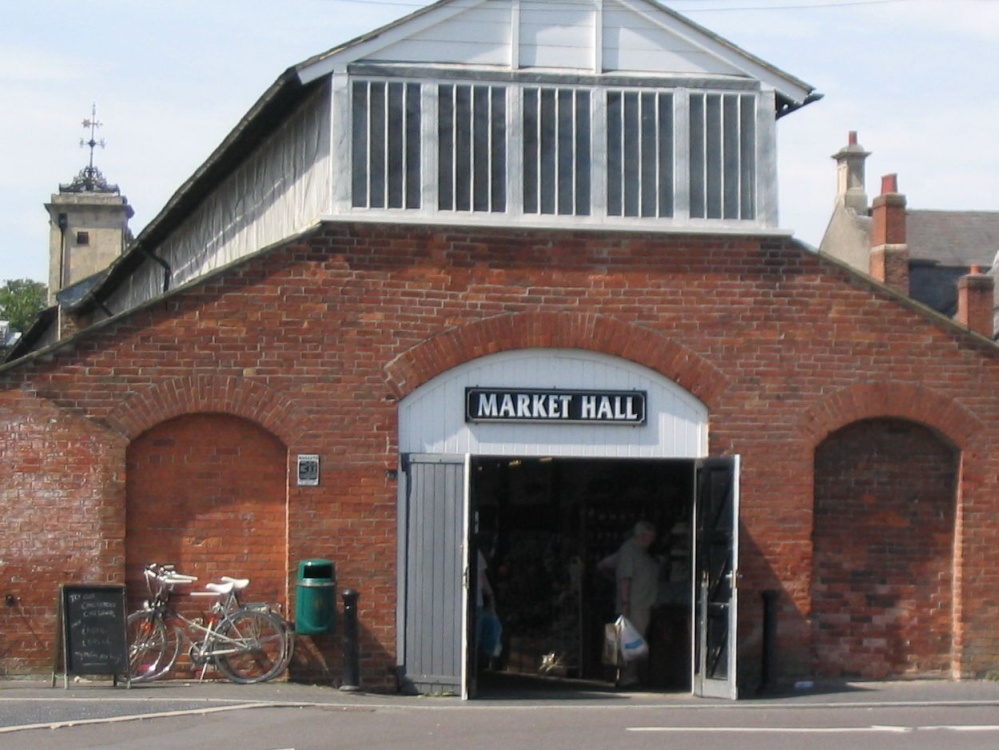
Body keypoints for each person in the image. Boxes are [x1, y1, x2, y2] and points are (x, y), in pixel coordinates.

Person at [614, 520, 658, 687]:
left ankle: (628, 676)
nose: (653, 540)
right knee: (632, 642)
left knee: (633, 642)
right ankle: (627, 677)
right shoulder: (629, 550)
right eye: (650, 536)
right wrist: (625, 604)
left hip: (642, 604)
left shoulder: (642, 551)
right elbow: (626, 578)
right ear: (642, 535)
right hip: (634, 606)